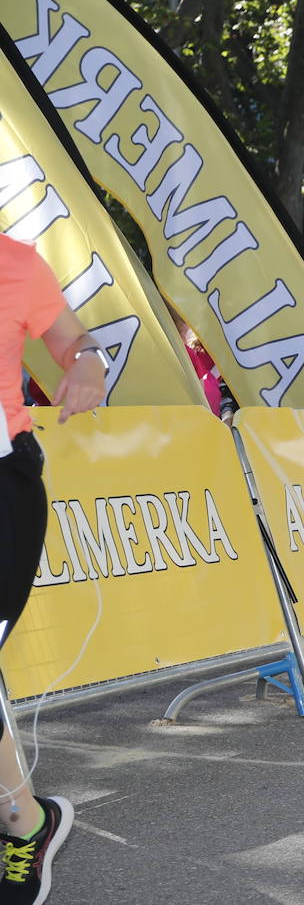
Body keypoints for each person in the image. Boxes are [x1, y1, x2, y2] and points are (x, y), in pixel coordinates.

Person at [2, 235, 107, 903]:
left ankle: (24, 823)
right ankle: (24, 818)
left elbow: (75, 342)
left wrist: (89, 364)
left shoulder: (15, 262)